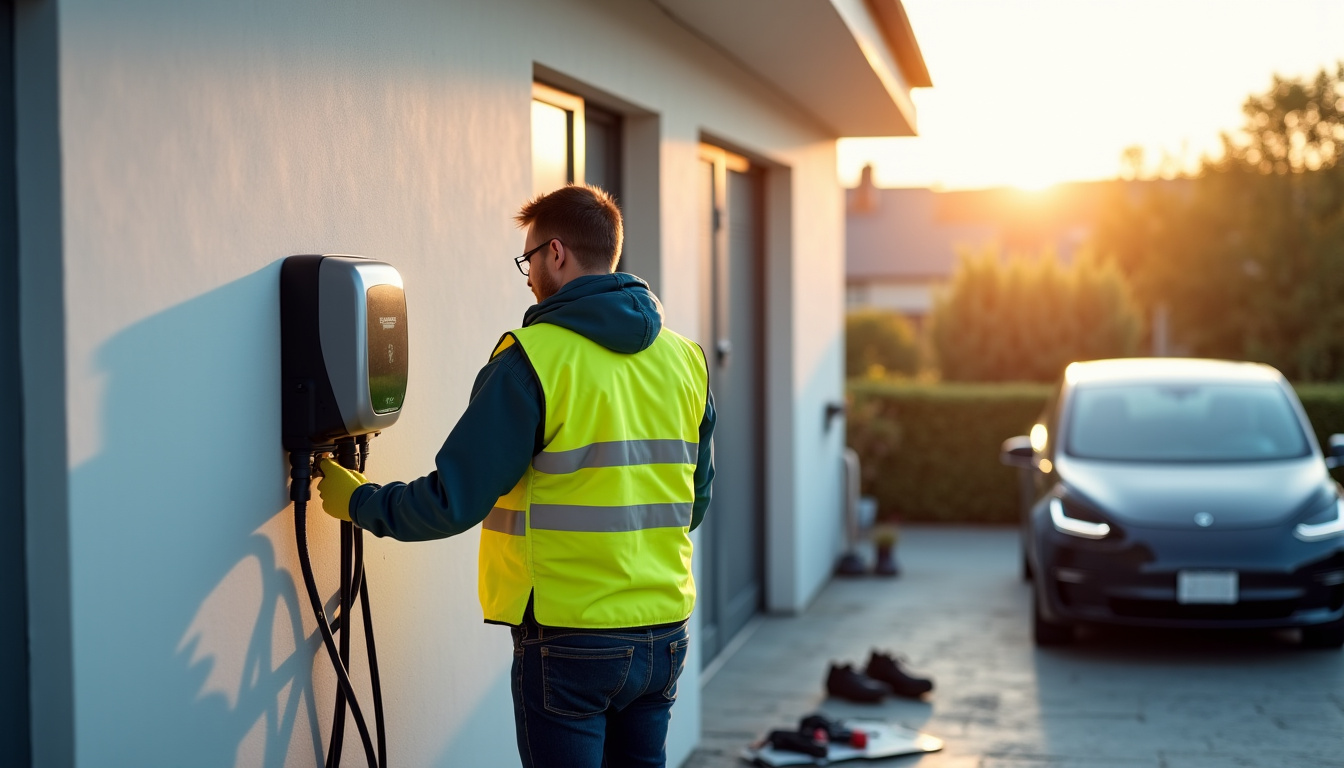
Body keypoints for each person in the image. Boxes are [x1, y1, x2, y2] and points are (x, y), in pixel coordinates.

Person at [315, 184, 716, 768]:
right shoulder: (687, 360)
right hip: (664, 633)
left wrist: (362, 504)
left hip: (569, 638)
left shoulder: (532, 359)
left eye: (527, 259)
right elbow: (693, 503)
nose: (526, 275)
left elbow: (455, 499)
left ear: (556, 253)